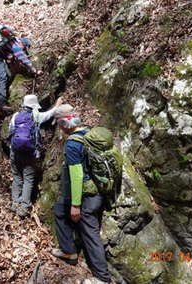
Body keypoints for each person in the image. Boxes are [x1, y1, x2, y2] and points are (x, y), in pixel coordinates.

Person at [51, 104, 114, 284]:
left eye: (59, 123)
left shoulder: (72, 143)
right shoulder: (88, 133)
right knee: (59, 210)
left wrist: (76, 205)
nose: (59, 127)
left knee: (90, 234)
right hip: (98, 189)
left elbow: (77, 176)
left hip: (87, 197)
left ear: (64, 123)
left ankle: (102, 278)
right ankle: (68, 250)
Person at [9, 94, 63, 217]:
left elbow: (11, 131)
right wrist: (58, 104)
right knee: (28, 178)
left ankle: (15, 202)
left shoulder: (15, 116)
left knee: (17, 176)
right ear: (34, 106)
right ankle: (24, 206)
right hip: (30, 153)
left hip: (15, 151)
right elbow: (50, 114)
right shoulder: (36, 116)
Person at [0, 25, 43, 113]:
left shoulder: (9, 39)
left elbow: (17, 53)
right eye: (24, 49)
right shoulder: (15, 45)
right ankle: (1, 103)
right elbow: (22, 57)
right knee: (2, 76)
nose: (23, 50)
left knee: (8, 74)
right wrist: (34, 70)